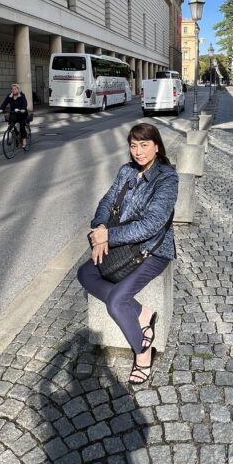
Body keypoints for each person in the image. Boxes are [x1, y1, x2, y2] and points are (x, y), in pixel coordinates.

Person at [77, 123, 178, 385]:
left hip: (152, 250)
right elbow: (106, 202)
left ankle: (143, 353)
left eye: (144, 145)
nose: (138, 151)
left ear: (157, 146)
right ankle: (144, 314)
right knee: (85, 272)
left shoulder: (167, 178)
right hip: (122, 245)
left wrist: (108, 236)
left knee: (116, 302)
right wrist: (100, 227)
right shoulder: (126, 171)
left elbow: (152, 225)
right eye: (133, 145)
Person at [0, 83, 29, 151]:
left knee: (22, 126)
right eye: (12, 89)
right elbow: (5, 103)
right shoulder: (10, 96)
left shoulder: (22, 96)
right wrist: (1, 109)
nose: (13, 90)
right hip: (13, 114)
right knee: (11, 124)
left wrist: (23, 109)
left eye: (15, 89)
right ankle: (16, 138)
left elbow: (25, 103)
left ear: (18, 89)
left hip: (22, 114)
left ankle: (24, 140)